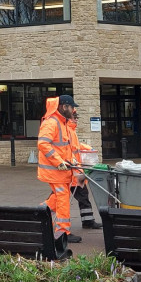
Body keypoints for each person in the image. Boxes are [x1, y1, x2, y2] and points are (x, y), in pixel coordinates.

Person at [37, 94, 83, 246]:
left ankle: (39, 217)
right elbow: (43, 144)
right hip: (55, 171)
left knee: (57, 199)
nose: (73, 110)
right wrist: (59, 162)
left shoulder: (61, 122)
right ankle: (63, 232)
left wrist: (72, 160)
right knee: (62, 198)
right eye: (71, 107)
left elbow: (64, 147)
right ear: (64, 107)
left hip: (60, 171)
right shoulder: (52, 122)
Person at [66, 107, 101, 230]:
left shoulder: (71, 130)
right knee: (61, 200)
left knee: (83, 196)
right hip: (72, 172)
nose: (76, 119)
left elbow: (75, 146)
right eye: (74, 117)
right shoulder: (68, 130)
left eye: (77, 117)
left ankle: (88, 221)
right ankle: (88, 222)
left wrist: (85, 147)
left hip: (74, 171)